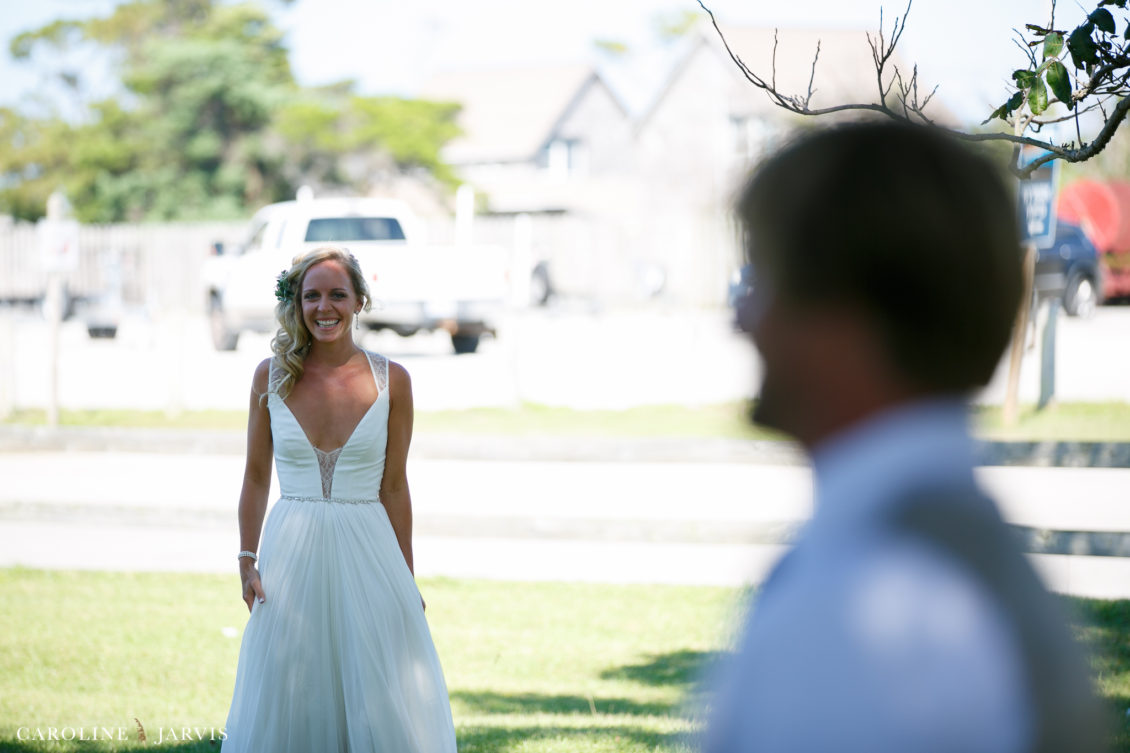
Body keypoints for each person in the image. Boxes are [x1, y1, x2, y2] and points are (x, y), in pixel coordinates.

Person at [705, 122, 1107, 753]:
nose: (741, 318)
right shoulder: (938, 552)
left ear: (851, 312)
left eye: (767, 279)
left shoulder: (867, 606)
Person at [221, 246, 457, 752]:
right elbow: (256, 476)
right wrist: (246, 557)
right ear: (296, 303)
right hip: (290, 556)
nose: (323, 307)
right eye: (311, 296)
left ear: (359, 300)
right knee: (292, 688)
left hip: (368, 552)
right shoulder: (270, 376)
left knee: (378, 690)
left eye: (336, 294)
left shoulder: (394, 381)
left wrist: (404, 579)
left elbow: (394, 485)